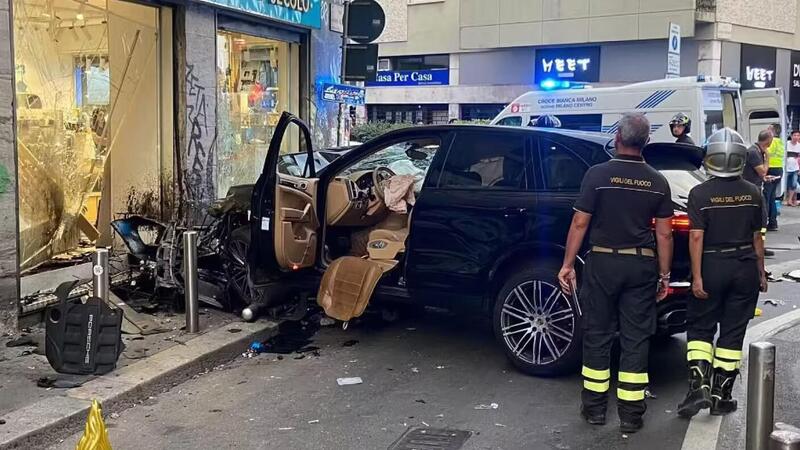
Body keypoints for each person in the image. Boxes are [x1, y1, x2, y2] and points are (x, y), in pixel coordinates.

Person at [558, 113, 673, 433]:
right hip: (641, 266)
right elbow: (664, 235)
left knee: (598, 334)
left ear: (617, 138)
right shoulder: (657, 180)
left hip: (603, 264)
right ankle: (631, 414)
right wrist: (664, 275)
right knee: (637, 338)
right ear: (646, 142)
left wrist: (567, 265)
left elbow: (580, 222)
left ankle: (594, 410)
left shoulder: (597, 175)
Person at [676, 128, 767, 418]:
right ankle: (721, 394)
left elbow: (696, 238)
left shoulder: (699, 193)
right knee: (732, 332)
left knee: (701, 329)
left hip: (711, 266)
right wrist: (761, 272)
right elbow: (758, 239)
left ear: (710, 157)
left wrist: (698, 276)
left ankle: (697, 388)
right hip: (744, 268)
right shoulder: (753, 193)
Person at [743, 130, 774, 257]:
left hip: (755, 187)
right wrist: (768, 159)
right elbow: (762, 171)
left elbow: (758, 174)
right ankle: (757, 246)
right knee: (761, 219)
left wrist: (765, 179)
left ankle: (760, 244)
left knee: (761, 220)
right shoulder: (754, 152)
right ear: (768, 140)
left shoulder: (756, 151)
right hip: (752, 191)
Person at [763, 123, 784, 230]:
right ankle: (772, 222)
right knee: (771, 197)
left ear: (772, 131)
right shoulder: (780, 141)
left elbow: (766, 152)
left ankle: (765, 221)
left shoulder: (773, 141)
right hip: (779, 170)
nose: (766, 129)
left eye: (768, 128)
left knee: (766, 197)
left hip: (771, 169)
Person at [785, 130, 800, 207]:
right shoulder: (786, 144)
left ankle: (790, 200)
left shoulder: (799, 145)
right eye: (795, 135)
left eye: (798, 135)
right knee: (786, 184)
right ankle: (788, 199)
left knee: (794, 184)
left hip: (795, 168)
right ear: (791, 136)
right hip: (786, 168)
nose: (796, 137)